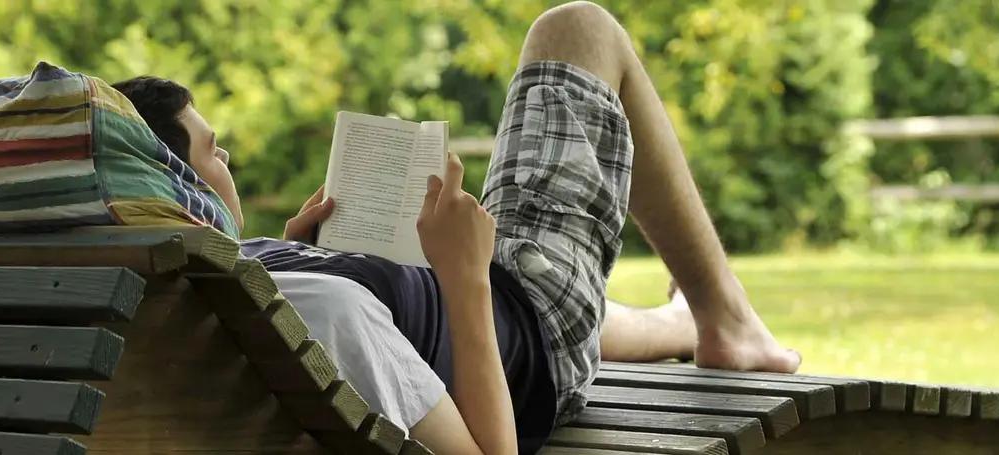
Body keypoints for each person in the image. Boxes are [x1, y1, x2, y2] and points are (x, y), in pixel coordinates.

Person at [107, 3, 801, 453]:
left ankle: (680, 325)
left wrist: (298, 254)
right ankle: (727, 322)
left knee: (530, 280)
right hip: (524, 324)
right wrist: (466, 277)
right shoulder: (312, 312)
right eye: (211, 151)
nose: (226, 159)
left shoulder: (177, 289)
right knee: (577, 31)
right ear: (180, 191)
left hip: (482, 310)